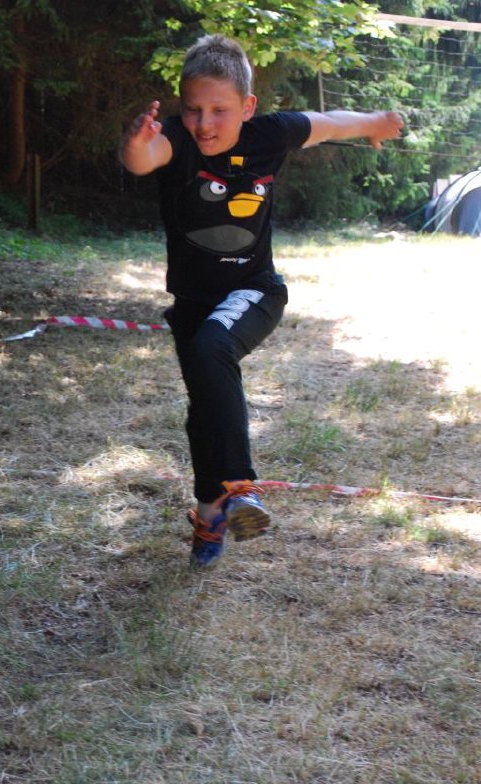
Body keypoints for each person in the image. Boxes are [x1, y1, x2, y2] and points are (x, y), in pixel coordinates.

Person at [119, 34, 403, 570]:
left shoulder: (270, 135)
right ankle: (211, 513)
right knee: (205, 407)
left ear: (247, 107)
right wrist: (137, 141)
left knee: (212, 349)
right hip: (193, 302)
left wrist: (375, 123)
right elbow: (142, 159)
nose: (205, 123)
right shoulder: (174, 138)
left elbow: (331, 123)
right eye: (194, 109)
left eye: (219, 111)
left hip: (254, 291)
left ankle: (239, 488)